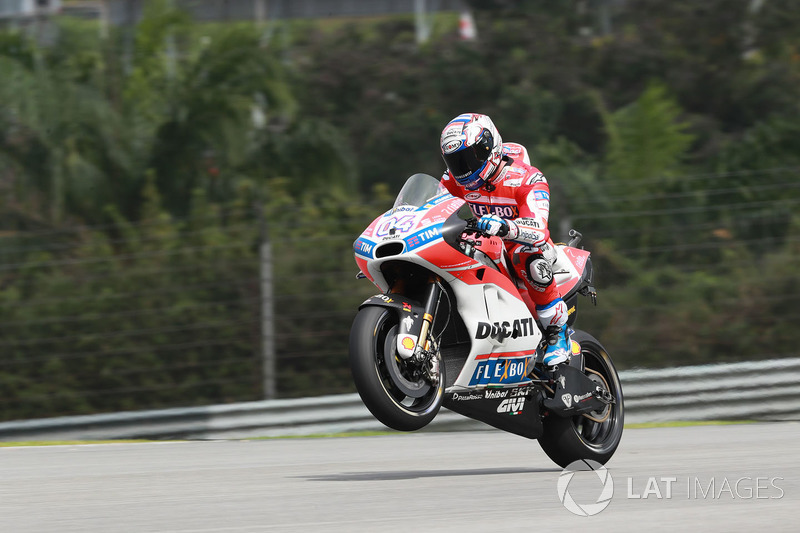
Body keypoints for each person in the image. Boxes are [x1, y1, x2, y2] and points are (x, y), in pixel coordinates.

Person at [438, 112, 571, 371]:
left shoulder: (528, 179)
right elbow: (430, 206)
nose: (463, 169)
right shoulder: (454, 179)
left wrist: (506, 226)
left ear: (489, 148)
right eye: (456, 162)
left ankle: (557, 332)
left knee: (526, 254)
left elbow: (540, 230)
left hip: (526, 246)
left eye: (469, 158)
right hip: (486, 245)